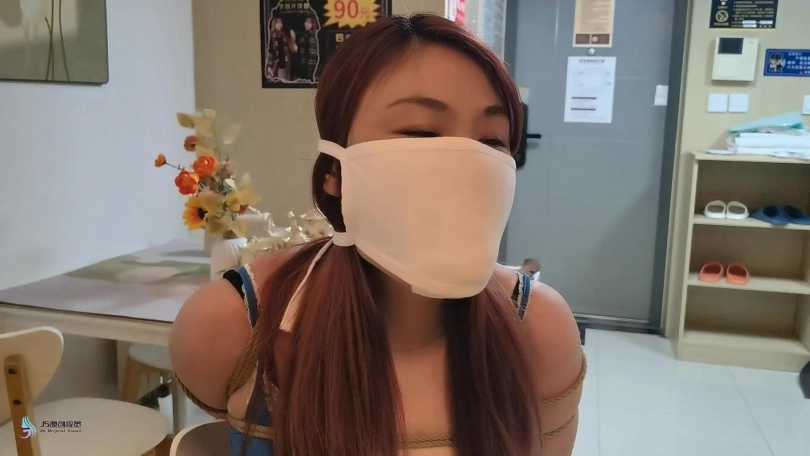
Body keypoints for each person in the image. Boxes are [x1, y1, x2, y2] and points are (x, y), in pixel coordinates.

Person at [171, 14, 584, 456]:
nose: (468, 163)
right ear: (334, 172)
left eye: (493, 141)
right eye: (421, 132)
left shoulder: (541, 330)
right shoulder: (231, 325)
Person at [294, 16, 318, 81]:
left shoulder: (315, 35)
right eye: (306, 22)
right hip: (302, 62)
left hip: (312, 62)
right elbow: (298, 48)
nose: (307, 24)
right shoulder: (301, 35)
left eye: (309, 22)